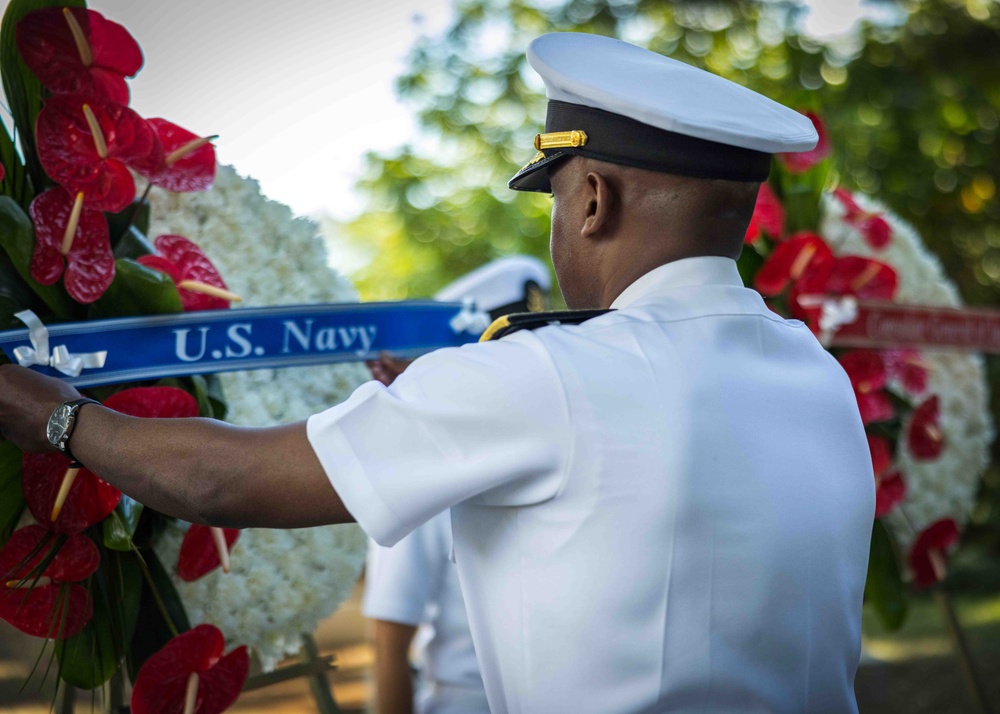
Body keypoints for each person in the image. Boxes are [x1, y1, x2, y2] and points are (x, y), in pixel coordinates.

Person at [0, 32, 874, 714]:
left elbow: (219, 482)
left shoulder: (547, 375)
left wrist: (53, 411)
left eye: (560, 201)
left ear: (596, 200)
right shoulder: (815, 373)